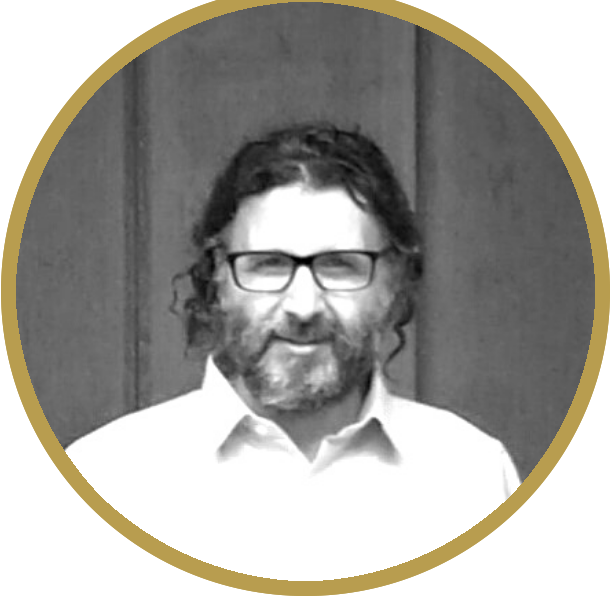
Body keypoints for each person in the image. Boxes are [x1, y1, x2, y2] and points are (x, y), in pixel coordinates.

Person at [67, 123, 521, 579]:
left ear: (394, 283)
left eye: (340, 266)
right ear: (217, 279)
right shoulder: (102, 483)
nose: (303, 307)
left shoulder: (474, 479)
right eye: (268, 264)